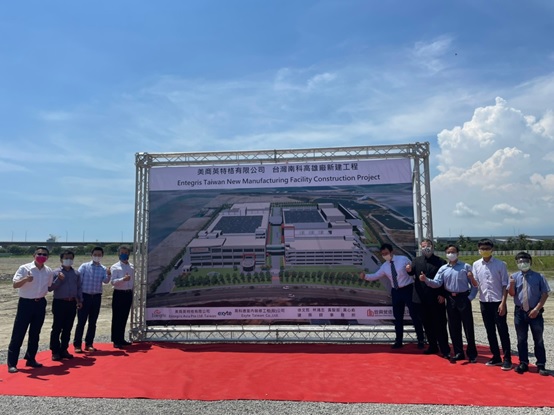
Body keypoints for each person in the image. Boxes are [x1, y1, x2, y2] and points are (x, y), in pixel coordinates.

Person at [420, 244, 478, 363]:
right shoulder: (443, 268)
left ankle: (472, 353)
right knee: (453, 326)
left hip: (463, 298)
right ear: (446, 254)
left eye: (453, 252)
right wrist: (426, 280)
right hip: (450, 298)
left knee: (468, 327)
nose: (451, 254)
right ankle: (458, 352)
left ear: (458, 253)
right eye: (448, 252)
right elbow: (437, 283)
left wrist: (470, 297)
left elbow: (474, 285)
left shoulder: (466, 266)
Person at [360, 243, 425, 349]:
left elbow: (413, 270)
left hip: (408, 289)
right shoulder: (385, 266)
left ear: (392, 252)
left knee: (414, 315)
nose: (385, 255)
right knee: (398, 317)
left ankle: (421, 340)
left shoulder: (403, 259)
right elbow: (376, 275)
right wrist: (365, 276)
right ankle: (399, 341)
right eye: (383, 254)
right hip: (396, 291)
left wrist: (410, 269)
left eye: (386, 253)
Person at [7, 247, 54, 373]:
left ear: (47, 257)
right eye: (39, 254)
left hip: (40, 303)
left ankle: (31, 358)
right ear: (34, 255)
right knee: (18, 333)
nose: (41, 256)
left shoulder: (48, 271)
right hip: (25, 303)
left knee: (35, 333)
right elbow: (15, 284)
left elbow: (49, 286)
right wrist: (26, 280)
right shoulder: (25, 268)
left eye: (44, 254)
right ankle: (12, 363)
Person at [472, 239, 512, 371]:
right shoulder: (476, 265)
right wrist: (470, 278)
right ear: (479, 250)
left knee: (502, 330)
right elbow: (475, 284)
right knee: (490, 331)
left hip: (498, 302)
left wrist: (503, 303)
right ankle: (496, 356)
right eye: (482, 249)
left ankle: (507, 359)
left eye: (487, 248)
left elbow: (505, 285)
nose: (485, 251)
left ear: (492, 249)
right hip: (484, 302)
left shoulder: (500, 264)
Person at [508, 252, 550, 376]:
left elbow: (545, 294)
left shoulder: (539, 276)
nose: (523, 263)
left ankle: (541, 364)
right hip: (520, 312)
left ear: (530, 262)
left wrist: (537, 309)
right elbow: (512, 294)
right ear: (517, 263)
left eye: (525, 261)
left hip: (535, 312)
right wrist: (511, 284)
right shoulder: (514, 277)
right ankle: (523, 363)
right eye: (520, 261)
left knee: (538, 339)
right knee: (521, 339)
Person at [406, 239, 449, 357]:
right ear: (421, 248)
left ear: (432, 246)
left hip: (436, 298)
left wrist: (443, 294)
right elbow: (411, 273)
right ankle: (432, 346)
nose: (426, 248)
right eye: (423, 246)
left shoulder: (441, 261)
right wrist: (408, 270)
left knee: (440, 324)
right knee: (427, 324)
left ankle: (445, 349)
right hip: (420, 298)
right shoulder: (416, 260)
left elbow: (446, 280)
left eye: (428, 246)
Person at [73, 246, 111, 353]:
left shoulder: (103, 268)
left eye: (99, 255)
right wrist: (78, 298)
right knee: (81, 322)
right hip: (84, 296)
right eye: (95, 254)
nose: (97, 256)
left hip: (96, 297)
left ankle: (89, 344)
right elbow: (78, 282)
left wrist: (109, 274)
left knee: (93, 322)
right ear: (91, 255)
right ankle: (77, 345)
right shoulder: (84, 266)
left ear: (102, 256)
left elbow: (106, 281)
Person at [48, 250, 83, 361]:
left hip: (71, 302)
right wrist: (59, 280)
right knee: (57, 327)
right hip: (59, 302)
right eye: (66, 258)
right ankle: (55, 351)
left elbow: (79, 288)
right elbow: (50, 288)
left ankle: (64, 349)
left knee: (68, 327)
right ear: (61, 260)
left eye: (70, 258)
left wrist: (79, 300)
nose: (68, 260)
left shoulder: (76, 273)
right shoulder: (55, 272)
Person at [110, 245, 134, 348]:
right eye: (122, 253)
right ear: (118, 254)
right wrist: (123, 279)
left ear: (129, 254)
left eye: (126, 253)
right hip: (119, 293)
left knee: (124, 316)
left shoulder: (132, 267)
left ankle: (121, 338)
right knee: (117, 317)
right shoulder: (115, 267)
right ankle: (116, 340)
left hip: (128, 293)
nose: (124, 254)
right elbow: (113, 282)